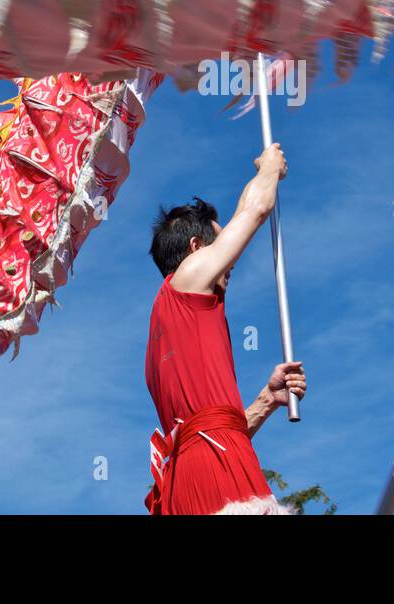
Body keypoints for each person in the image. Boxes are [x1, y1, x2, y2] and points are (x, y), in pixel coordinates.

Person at [143, 142, 306, 514]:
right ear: (197, 247)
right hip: (217, 470)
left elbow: (212, 430)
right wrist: (269, 169)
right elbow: (255, 210)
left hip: (192, 475)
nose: (230, 264)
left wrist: (267, 400)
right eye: (221, 245)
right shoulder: (187, 278)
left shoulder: (164, 330)